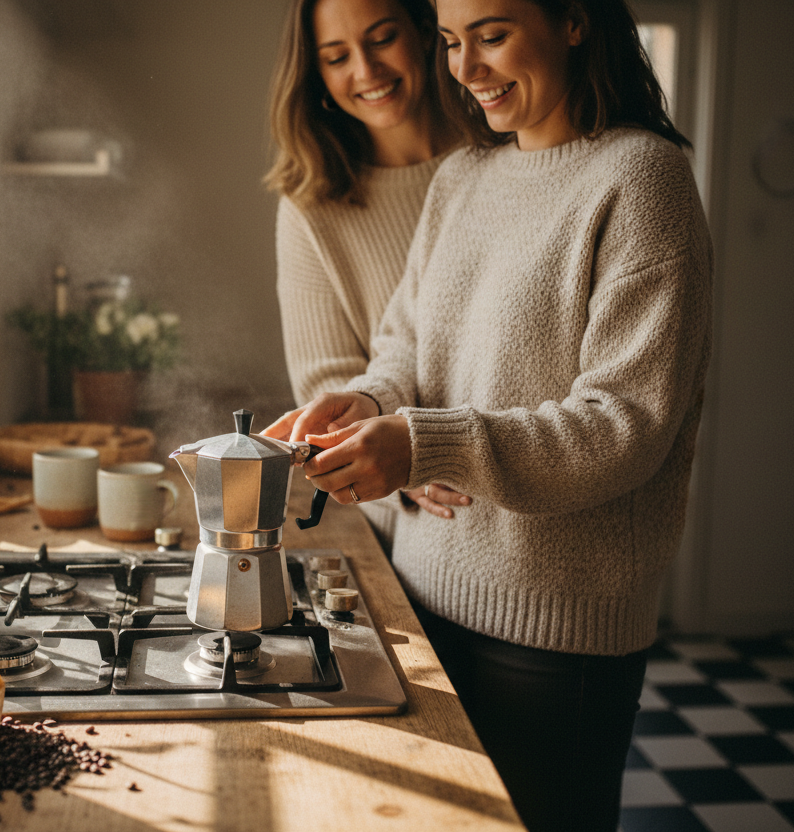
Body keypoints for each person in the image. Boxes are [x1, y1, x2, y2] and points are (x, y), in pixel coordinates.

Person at [265, 1, 712, 829]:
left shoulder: (642, 178)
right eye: (449, 42)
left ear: (573, 20)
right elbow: (405, 347)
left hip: (556, 633)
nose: (466, 70)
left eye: (493, 36)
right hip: (421, 597)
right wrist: (369, 400)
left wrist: (421, 443)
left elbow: (623, 427)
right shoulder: (463, 177)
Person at [264, 0, 468, 554]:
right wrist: (409, 467)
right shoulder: (311, 204)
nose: (366, 70)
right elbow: (326, 383)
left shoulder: (500, 154)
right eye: (337, 57)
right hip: (407, 527)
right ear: (318, 77)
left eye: (381, 39)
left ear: (424, 32)